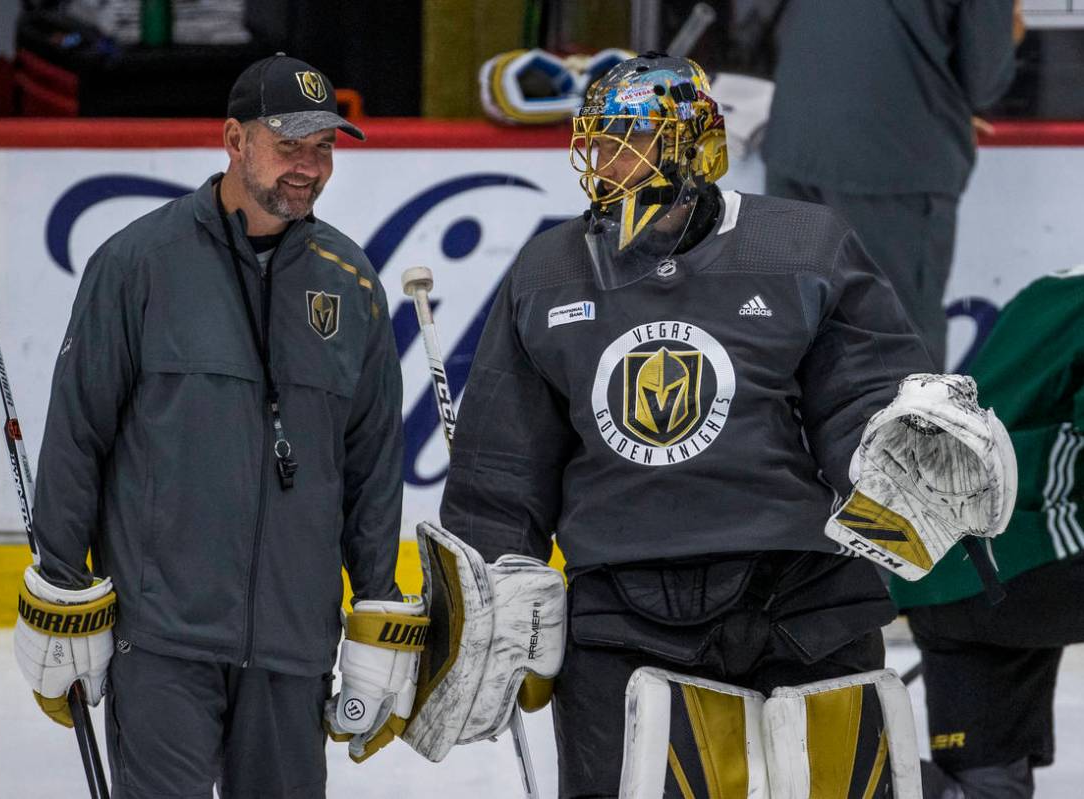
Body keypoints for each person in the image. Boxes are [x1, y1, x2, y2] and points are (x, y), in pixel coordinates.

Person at [437, 52, 966, 798]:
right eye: (598, 140)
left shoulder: (802, 246)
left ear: (692, 144)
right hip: (621, 609)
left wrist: (899, 465)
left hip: (803, 593)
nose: (608, 159)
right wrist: (486, 590)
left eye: (632, 138)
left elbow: (861, 399)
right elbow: (503, 461)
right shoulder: (546, 269)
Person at [10, 54, 416, 798]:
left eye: (323, 147)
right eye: (289, 143)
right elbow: (77, 436)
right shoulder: (138, 264)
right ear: (233, 138)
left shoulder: (349, 282)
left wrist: (378, 606)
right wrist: (61, 589)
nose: (310, 166)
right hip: (162, 640)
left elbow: (370, 467)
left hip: (294, 645)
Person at [892, 266, 1084, 799]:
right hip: (1027, 554)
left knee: (985, 792)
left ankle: (835, 780)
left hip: (942, 575)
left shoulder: (1049, 289)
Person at [761, 0, 1024, 370]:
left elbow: (754, 24)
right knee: (897, 352)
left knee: (797, 335)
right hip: (895, 163)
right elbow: (985, 79)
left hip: (795, 142)